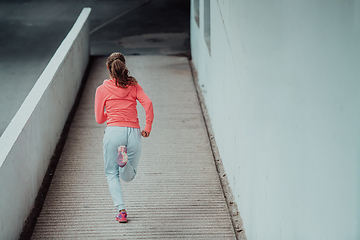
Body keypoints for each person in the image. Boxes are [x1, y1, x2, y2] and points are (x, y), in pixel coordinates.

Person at [94, 52, 154, 223]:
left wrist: (111, 113)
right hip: (133, 132)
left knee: (111, 173)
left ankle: (121, 211)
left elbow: (99, 119)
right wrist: (147, 126)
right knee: (128, 176)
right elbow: (148, 104)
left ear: (108, 68)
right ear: (123, 65)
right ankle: (124, 162)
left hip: (113, 131)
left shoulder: (101, 90)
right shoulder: (134, 85)